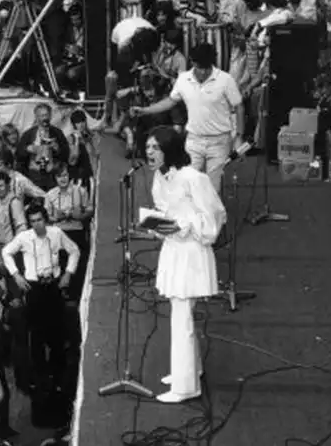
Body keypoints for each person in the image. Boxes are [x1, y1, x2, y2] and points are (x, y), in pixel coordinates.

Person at [143, 126, 225, 403]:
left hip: (191, 253)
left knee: (182, 320)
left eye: (155, 147)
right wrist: (157, 225)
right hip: (174, 250)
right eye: (148, 147)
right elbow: (166, 212)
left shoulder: (193, 177)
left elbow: (215, 216)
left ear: (169, 148)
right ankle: (189, 371)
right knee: (181, 315)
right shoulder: (159, 178)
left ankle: (185, 387)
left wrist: (185, 226)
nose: (149, 152)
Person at [131, 41, 244, 190]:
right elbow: (170, 101)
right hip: (194, 140)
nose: (203, 72)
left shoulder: (225, 80)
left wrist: (239, 136)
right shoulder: (183, 79)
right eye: (199, 67)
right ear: (192, 63)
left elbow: (239, 106)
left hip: (219, 141)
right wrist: (145, 110)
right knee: (188, 184)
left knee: (212, 189)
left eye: (206, 68)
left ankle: (210, 213)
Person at [0, 204, 79, 387]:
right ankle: (40, 378)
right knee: (36, 334)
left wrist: (68, 273)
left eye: (39, 220)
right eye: (33, 221)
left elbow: (74, 250)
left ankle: (59, 376)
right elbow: (6, 252)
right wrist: (16, 275)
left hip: (53, 286)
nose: (37, 225)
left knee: (57, 331)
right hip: (34, 288)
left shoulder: (56, 233)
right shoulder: (24, 238)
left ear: (46, 219)